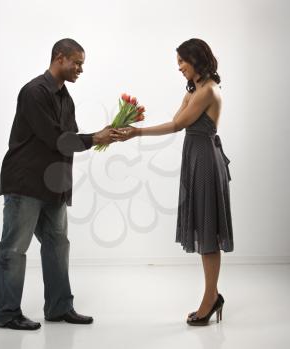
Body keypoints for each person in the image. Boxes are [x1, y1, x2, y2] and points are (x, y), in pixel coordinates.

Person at [0, 38, 114, 330]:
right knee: (14, 248)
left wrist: (94, 138)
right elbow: (55, 137)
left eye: (82, 64)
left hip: (53, 185)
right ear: (59, 58)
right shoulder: (34, 92)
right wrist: (95, 138)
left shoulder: (65, 97)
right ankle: (6, 314)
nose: (80, 69)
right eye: (77, 63)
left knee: (58, 245)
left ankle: (59, 307)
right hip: (25, 182)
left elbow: (67, 141)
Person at [111, 38, 233, 326]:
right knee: (205, 228)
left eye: (182, 61)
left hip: (204, 159)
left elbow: (177, 125)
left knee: (207, 230)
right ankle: (212, 295)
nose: (178, 67)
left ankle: (210, 298)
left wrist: (136, 132)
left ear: (196, 59)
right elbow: (178, 119)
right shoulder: (195, 89)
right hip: (195, 156)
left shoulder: (207, 91)